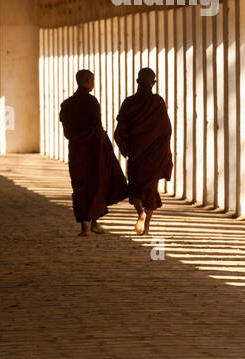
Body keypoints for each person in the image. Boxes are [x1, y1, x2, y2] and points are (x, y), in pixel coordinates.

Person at [59, 69, 128, 237]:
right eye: (93, 80)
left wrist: (77, 139)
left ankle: (84, 226)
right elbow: (96, 127)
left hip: (77, 149)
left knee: (80, 185)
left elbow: (67, 130)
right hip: (94, 149)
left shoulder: (67, 104)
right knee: (97, 183)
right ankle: (94, 224)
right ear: (89, 81)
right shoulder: (91, 102)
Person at [114, 67, 174, 236]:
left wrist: (127, 149)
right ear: (153, 83)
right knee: (151, 189)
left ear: (137, 82)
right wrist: (164, 152)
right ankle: (146, 227)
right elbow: (165, 130)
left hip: (137, 151)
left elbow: (120, 130)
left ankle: (139, 211)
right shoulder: (157, 102)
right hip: (154, 153)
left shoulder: (129, 102)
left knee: (135, 187)